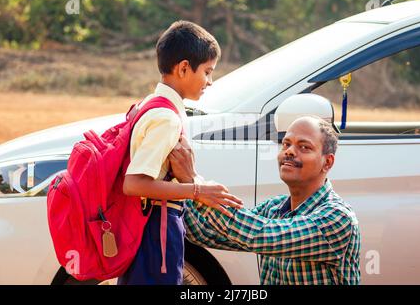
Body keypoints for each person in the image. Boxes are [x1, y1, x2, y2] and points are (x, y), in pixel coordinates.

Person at [118, 20, 243, 285]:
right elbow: (134, 183)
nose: (210, 81)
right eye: (207, 72)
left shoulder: (152, 105)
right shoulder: (166, 117)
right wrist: (197, 191)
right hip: (156, 230)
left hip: (150, 228)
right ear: (184, 68)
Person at [169, 116, 361, 285]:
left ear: (327, 162)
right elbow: (206, 234)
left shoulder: (337, 218)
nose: (290, 151)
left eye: (304, 147)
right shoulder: (274, 208)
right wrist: (175, 185)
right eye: (286, 144)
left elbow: (261, 235)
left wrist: (194, 182)